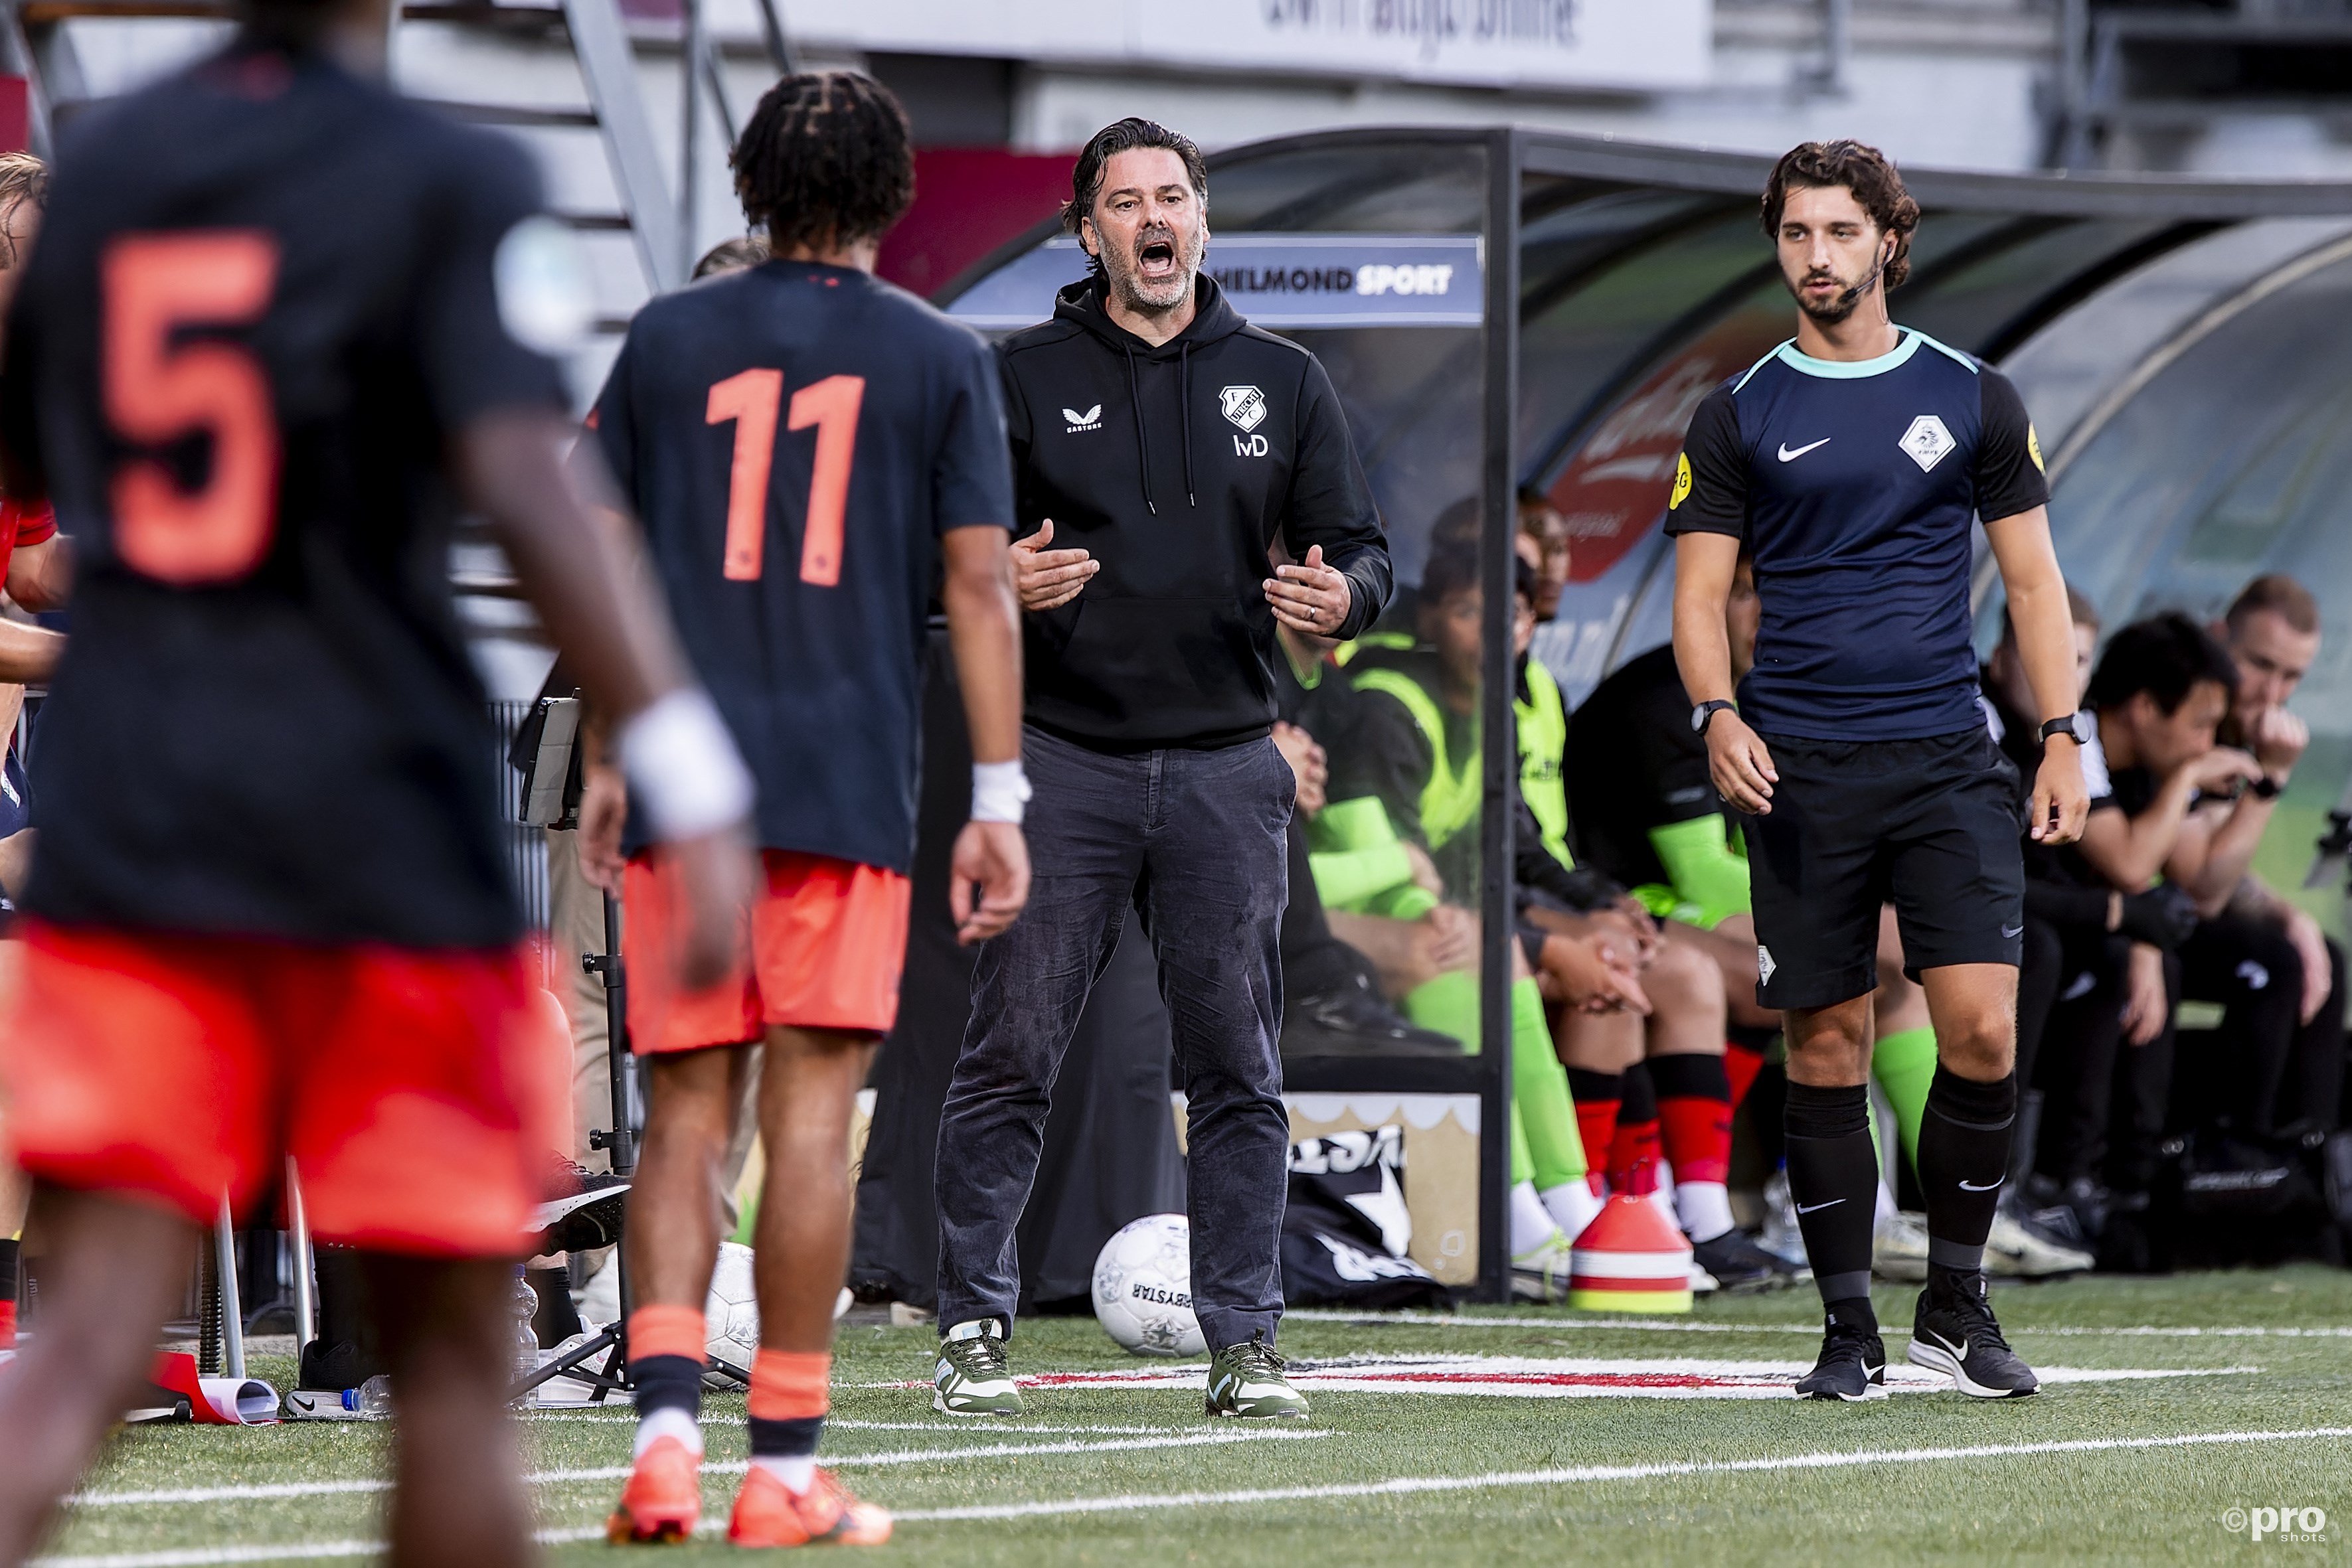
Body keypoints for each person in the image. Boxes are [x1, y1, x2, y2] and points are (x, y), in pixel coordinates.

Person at [0, 0, 757, 1559]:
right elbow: (528, 486)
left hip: (135, 800)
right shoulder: (446, 171)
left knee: (85, 1335)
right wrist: (685, 758)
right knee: (452, 1375)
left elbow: (51, 476)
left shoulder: (112, 167)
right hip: (371, 799)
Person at [581, 74, 1027, 1547]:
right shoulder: (937, 352)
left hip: (683, 781)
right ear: (895, 193)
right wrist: (1000, 794)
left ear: (750, 183)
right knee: (813, 1117)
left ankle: (660, 1445)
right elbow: (978, 585)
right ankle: (780, 1468)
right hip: (842, 784)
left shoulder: (667, 335)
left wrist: (607, 751)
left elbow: (601, 554)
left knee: (683, 1113)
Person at [930, 116, 1389, 1422]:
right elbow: (935, 558)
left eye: (1172, 196)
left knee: (1237, 1067)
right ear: (1089, 234)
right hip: (1061, 763)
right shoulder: (1015, 378)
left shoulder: (1285, 378)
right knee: (1011, 1051)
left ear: (1201, 220)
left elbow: (1363, 550)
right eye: (1126, 202)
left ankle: (1244, 1344)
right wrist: (995, 578)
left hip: (1225, 768)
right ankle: (970, 1325)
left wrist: (1342, 599)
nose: (1153, 218)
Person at [1669, 139, 2088, 1401]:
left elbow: (2032, 585)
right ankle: (1846, 1326)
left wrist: (2062, 735)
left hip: (1948, 757)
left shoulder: (1972, 393)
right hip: (1799, 769)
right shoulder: (1737, 410)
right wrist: (1714, 714)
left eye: (1840, 232)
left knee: (1982, 1028)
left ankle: (1952, 1302)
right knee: (1826, 1042)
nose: (1816, 256)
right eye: (1795, 233)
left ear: (1887, 243)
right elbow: (1699, 595)